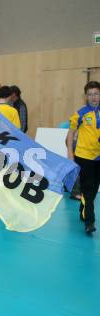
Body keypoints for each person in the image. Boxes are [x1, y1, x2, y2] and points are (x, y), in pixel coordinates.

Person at [66, 81, 100, 234]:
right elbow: (71, 134)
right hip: (84, 157)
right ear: (86, 96)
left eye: (96, 94)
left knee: (92, 190)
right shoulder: (80, 113)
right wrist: (70, 155)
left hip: (98, 158)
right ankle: (90, 222)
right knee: (87, 189)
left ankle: (83, 210)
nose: (93, 97)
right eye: (90, 94)